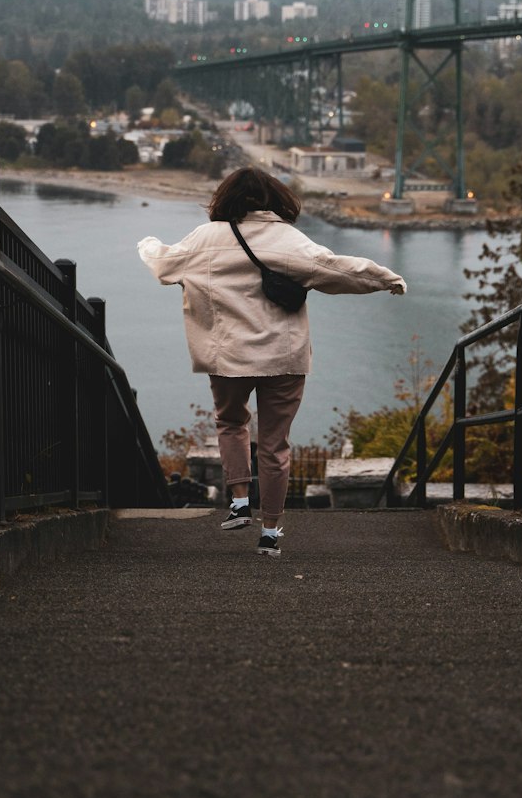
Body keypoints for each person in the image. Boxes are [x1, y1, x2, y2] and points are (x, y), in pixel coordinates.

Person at [137, 165, 406, 558]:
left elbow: (163, 263)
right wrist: (387, 279)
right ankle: (271, 533)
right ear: (276, 199)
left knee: (231, 422)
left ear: (224, 198)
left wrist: (146, 242)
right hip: (284, 356)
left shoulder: (206, 237)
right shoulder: (289, 239)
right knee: (275, 445)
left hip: (227, 355)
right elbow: (338, 270)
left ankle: (240, 500)